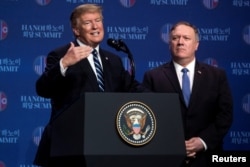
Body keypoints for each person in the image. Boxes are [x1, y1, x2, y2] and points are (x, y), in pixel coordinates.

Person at [34, 4, 145, 167]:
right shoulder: (61, 54)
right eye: (87, 23)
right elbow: (43, 89)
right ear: (76, 30)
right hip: (70, 148)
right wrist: (64, 63)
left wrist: (163, 99)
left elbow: (132, 88)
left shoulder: (113, 60)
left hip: (106, 144)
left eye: (98, 20)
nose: (95, 26)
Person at [142, 21, 233, 167]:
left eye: (186, 38)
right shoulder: (153, 77)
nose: (180, 42)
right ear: (169, 44)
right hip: (168, 158)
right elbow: (148, 117)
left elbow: (225, 115)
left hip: (207, 158)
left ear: (196, 44)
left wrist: (202, 141)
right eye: (175, 38)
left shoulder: (216, 76)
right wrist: (175, 144)